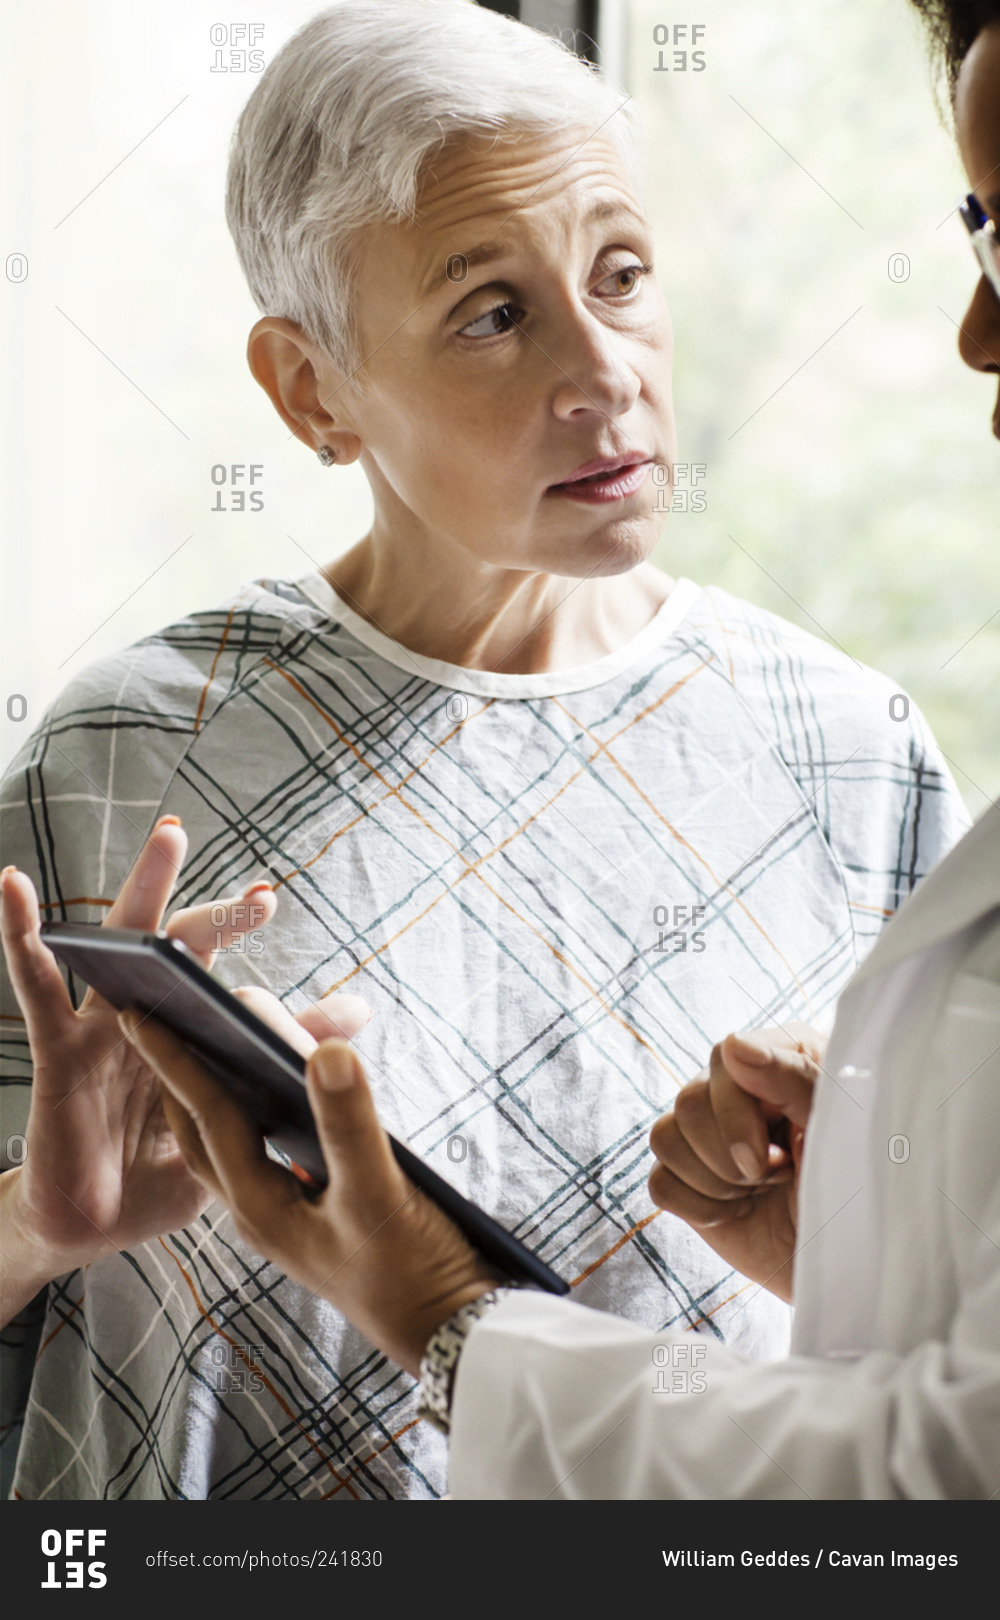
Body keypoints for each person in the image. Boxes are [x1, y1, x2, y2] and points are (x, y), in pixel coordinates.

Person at [0, 0, 967, 1501]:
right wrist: (38, 1232)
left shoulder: (850, 750)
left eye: (623, 275)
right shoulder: (123, 755)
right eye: (494, 312)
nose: (606, 370)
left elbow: (936, 1381)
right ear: (310, 389)